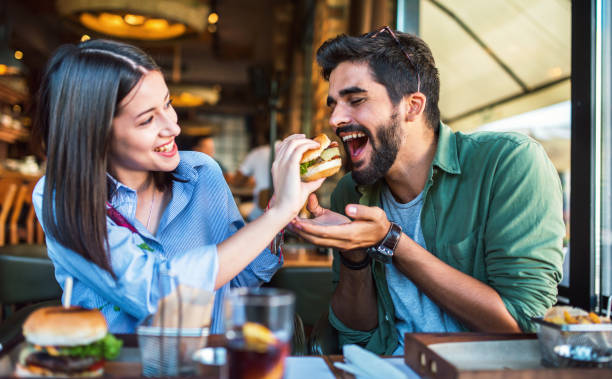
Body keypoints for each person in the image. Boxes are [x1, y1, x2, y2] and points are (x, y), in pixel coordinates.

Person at [290, 27, 565, 355]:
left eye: (356, 100)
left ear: (413, 106)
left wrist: (391, 242)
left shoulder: (508, 163)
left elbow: (523, 328)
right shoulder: (351, 192)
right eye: (333, 104)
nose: (335, 119)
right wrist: (354, 255)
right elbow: (356, 333)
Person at [32, 39, 323, 333]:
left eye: (168, 104)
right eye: (147, 120)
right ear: (96, 133)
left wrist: (282, 209)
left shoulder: (202, 174)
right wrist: (278, 214)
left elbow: (239, 280)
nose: (174, 127)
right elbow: (157, 294)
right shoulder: (60, 196)